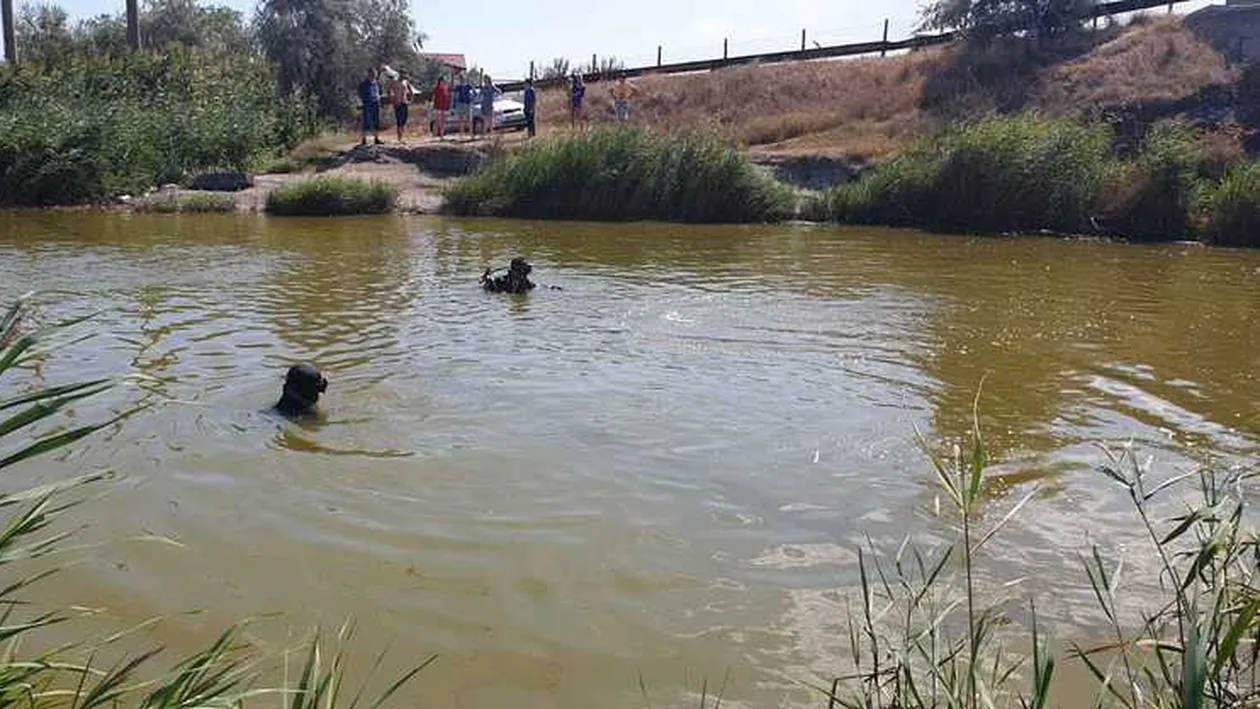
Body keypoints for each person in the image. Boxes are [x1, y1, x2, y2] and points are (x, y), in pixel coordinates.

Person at [358, 68, 383, 146]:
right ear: (368, 74)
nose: (373, 74)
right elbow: (360, 93)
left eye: (375, 73)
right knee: (366, 122)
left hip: (376, 104)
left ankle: (376, 138)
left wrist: (379, 100)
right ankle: (364, 139)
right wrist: (364, 101)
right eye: (372, 73)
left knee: (376, 121)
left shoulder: (377, 83)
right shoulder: (364, 84)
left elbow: (380, 93)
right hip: (367, 104)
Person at [389, 72, 415, 144]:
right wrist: (392, 100)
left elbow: (411, 90)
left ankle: (402, 136)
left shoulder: (406, 82)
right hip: (398, 103)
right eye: (403, 74)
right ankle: (399, 138)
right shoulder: (395, 82)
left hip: (404, 102)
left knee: (404, 119)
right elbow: (390, 91)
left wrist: (411, 99)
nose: (404, 76)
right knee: (399, 120)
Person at [455, 73, 475, 139]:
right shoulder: (458, 87)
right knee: (461, 120)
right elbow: (456, 95)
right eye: (461, 79)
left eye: (462, 78)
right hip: (461, 103)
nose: (462, 80)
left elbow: (473, 91)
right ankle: (461, 135)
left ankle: (471, 134)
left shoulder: (468, 86)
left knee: (469, 119)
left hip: (467, 103)